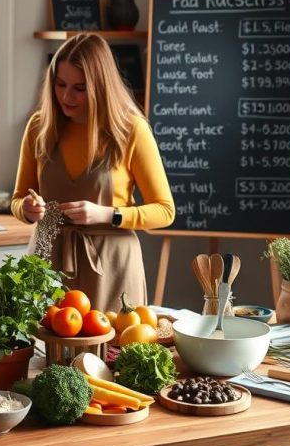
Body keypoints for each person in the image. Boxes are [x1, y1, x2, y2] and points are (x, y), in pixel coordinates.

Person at [11, 34, 175, 313]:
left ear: (101, 87)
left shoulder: (131, 130)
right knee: (43, 352)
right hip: (47, 258)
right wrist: (26, 209)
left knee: (111, 353)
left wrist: (108, 214)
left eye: (79, 88)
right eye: (60, 84)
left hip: (111, 265)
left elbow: (165, 211)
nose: (65, 96)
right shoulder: (39, 127)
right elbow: (17, 198)